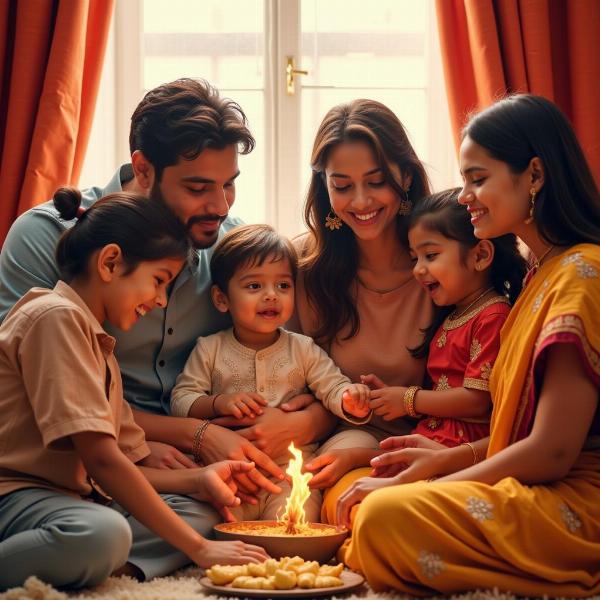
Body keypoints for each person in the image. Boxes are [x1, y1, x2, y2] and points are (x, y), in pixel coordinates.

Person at [0, 78, 335, 494]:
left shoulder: (232, 249)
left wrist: (307, 421)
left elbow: (304, 359)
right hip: (73, 457)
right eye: (197, 188)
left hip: (193, 461)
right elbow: (26, 383)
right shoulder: (45, 236)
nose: (220, 206)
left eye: (228, 183)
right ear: (143, 169)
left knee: (227, 506)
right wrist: (186, 434)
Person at [335, 94, 600, 595]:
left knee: (381, 515)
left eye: (478, 179)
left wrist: (432, 484)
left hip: (573, 495)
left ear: (535, 177)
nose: (464, 196)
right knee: (355, 497)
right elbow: (515, 437)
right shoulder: (537, 275)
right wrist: (442, 459)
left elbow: (554, 452)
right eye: (463, 181)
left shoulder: (581, 274)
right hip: (526, 474)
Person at [0, 189, 273, 591]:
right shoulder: (55, 317)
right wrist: (199, 550)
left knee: (204, 510)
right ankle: (89, 557)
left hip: (73, 500)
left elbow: (129, 468)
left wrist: (200, 479)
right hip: (16, 495)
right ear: (110, 262)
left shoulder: (99, 345)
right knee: (103, 534)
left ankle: (87, 563)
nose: (161, 300)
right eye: (158, 281)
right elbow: (103, 462)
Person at [170, 224, 371, 522]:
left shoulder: (302, 348)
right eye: (254, 286)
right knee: (212, 521)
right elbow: (181, 400)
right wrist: (218, 404)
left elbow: (331, 384)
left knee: (294, 522)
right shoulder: (209, 348)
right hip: (233, 473)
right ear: (221, 299)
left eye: (283, 286)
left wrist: (348, 398)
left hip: (289, 475)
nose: (271, 296)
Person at [291, 98, 433, 496]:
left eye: (376, 181)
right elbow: (285, 374)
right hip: (337, 443)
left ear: (405, 176)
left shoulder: (444, 262)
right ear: (324, 187)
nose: (361, 202)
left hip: (435, 444)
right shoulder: (302, 266)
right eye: (342, 186)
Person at [360, 188, 526, 451]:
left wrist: (408, 399)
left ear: (480, 256)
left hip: (461, 447)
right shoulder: (454, 315)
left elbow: (477, 401)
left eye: (431, 255)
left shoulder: (492, 316)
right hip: (433, 438)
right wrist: (388, 398)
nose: (418, 269)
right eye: (415, 258)